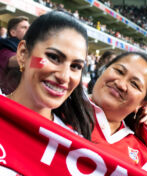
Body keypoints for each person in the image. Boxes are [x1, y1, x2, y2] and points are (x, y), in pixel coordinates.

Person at [1, 11, 94, 139]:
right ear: (23, 53)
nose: (64, 76)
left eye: (76, 66)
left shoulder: (72, 149)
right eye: (53, 57)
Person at [89, 51, 147, 167]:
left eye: (134, 84)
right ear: (104, 70)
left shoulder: (142, 156)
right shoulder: (56, 109)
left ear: (142, 104)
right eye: (119, 71)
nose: (121, 84)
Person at [0, 16, 30, 94]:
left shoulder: (28, 48)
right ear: (13, 32)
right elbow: (13, 59)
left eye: (29, 27)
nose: (29, 29)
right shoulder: (4, 48)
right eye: (24, 27)